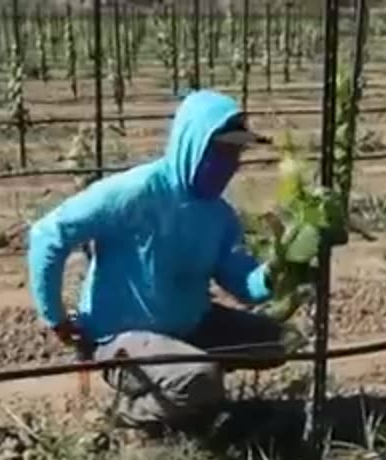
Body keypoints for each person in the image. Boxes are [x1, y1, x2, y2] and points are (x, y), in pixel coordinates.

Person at [26, 89, 294, 436]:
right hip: (121, 336)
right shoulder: (134, 192)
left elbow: (242, 282)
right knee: (197, 378)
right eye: (221, 150)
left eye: (236, 152)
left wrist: (277, 270)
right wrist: (55, 317)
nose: (229, 163)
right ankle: (135, 415)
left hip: (191, 325)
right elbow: (48, 235)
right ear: (192, 143)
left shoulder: (219, 215)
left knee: (281, 343)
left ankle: (188, 394)